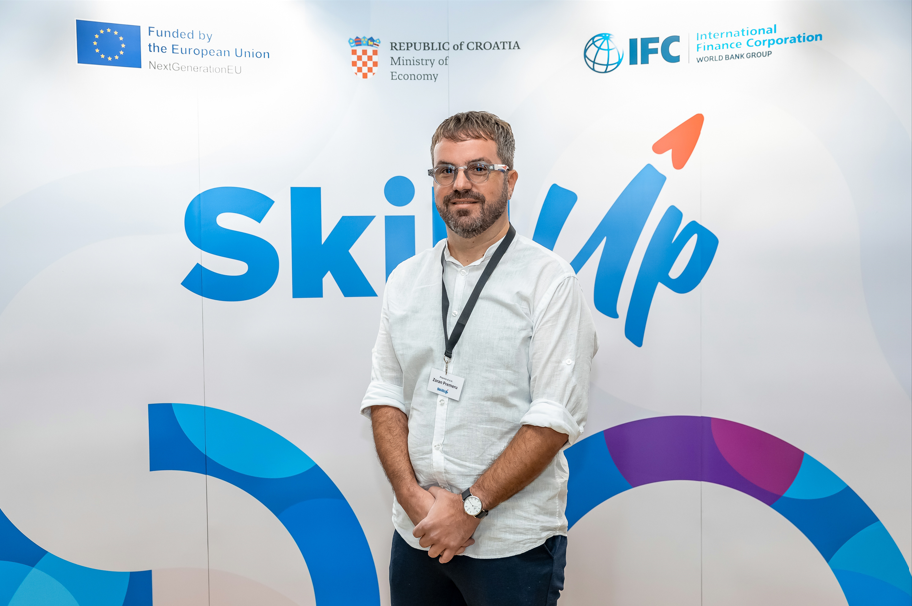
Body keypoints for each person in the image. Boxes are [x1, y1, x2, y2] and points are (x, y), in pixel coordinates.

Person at [360, 111, 598, 606]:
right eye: (445, 170)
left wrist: (470, 507)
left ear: (510, 180)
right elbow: (386, 396)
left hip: (512, 545)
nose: (460, 183)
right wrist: (412, 499)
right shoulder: (405, 280)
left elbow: (554, 418)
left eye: (479, 168)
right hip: (418, 533)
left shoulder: (549, 281)